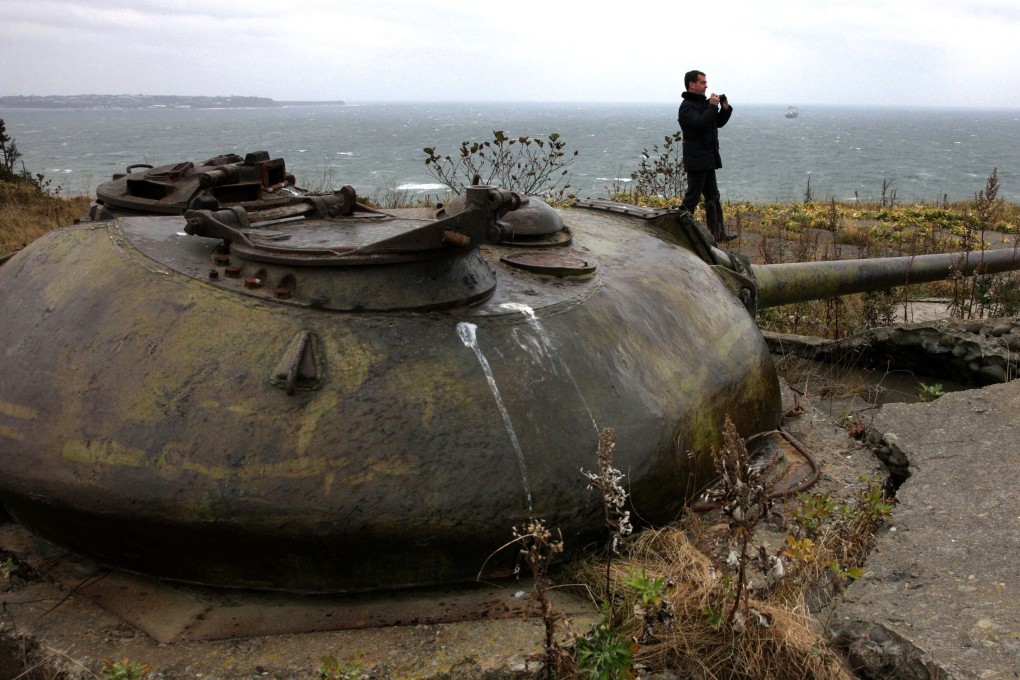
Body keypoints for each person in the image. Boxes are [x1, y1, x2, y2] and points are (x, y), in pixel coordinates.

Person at [678, 69, 735, 242]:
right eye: (702, 82)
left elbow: (715, 123)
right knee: (692, 197)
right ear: (692, 84)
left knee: (713, 197)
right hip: (697, 159)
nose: (706, 86)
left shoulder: (703, 104)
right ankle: (679, 231)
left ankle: (718, 233)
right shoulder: (686, 107)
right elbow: (700, 124)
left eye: (705, 82)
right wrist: (711, 106)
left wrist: (724, 109)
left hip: (707, 157)